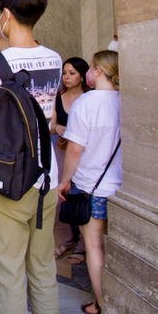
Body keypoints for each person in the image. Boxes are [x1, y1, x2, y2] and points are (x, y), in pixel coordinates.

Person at [0, 0, 62, 314]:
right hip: (46, 178)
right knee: (43, 271)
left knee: (9, 278)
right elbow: (50, 121)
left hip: (9, 181)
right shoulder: (54, 58)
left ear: (4, 15)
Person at [57, 50, 121, 314]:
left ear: (96, 71)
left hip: (91, 186)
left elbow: (74, 149)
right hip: (123, 189)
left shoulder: (86, 102)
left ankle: (102, 304)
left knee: (94, 246)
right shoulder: (126, 100)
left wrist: (64, 180)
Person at [50, 57, 90, 263]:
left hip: (86, 154)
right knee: (58, 197)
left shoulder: (90, 97)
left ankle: (83, 245)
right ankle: (66, 240)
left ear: (82, 76)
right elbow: (50, 125)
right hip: (63, 151)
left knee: (82, 196)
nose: (66, 77)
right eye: (64, 73)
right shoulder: (58, 97)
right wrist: (56, 128)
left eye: (72, 73)